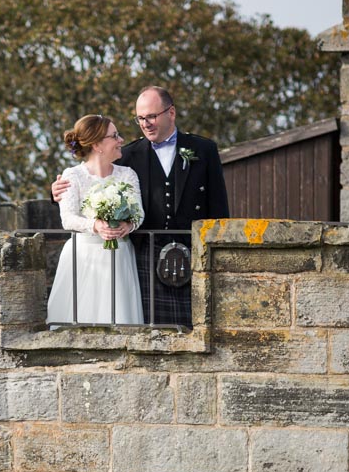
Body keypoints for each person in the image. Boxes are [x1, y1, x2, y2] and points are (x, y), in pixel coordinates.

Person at [52, 86, 229, 326]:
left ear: (171, 113)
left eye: (151, 116)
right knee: (147, 327)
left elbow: (219, 205)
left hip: (193, 250)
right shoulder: (128, 155)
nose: (146, 124)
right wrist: (55, 191)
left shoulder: (203, 149)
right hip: (147, 252)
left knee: (197, 326)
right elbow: (94, 176)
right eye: (140, 118)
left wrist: (218, 254)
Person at [46, 114, 144, 327]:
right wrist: (95, 225)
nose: (121, 140)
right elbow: (68, 219)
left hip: (119, 255)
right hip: (83, 256)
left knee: (119, 317)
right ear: (97, 145)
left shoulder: (127, 174)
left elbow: (139, 213)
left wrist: (128, 225)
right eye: (114, 136)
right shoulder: (73, 175)